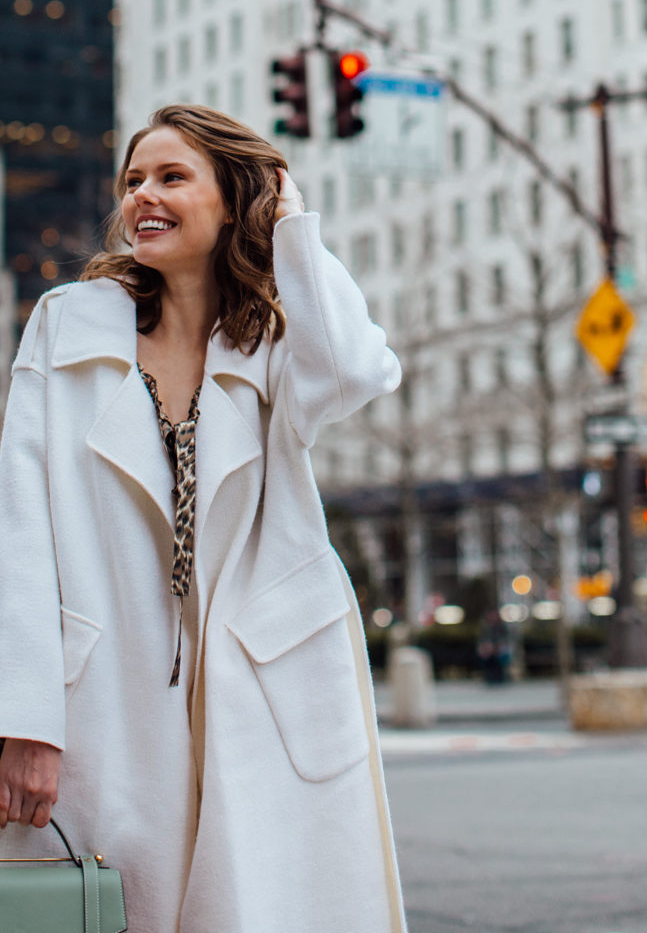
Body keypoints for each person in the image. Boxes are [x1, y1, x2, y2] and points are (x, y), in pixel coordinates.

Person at [0, 103, 407, 933]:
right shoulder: (66, 325)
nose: (142, 196)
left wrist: (292, 226)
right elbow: (20, 530)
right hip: (104, 691)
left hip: (256, 689)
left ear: (233, 202)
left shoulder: (272, 340)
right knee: (115, 905)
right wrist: (26, 720)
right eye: (133, 180)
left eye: (172, 177)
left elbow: (357, 371)